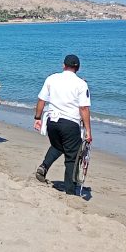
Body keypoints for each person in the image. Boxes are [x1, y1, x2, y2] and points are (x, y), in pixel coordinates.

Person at [33, 54, 92, 194]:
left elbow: (41, 100)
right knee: (72, 156)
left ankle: (44, 166)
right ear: (78, 68)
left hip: (52, 122)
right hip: (70, 123)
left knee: (58, 145)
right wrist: (88, 131)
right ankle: (70, 191)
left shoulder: (51, 78)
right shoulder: (81, 84)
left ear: (63, 65)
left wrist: (37, 118)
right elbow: (84, 108)